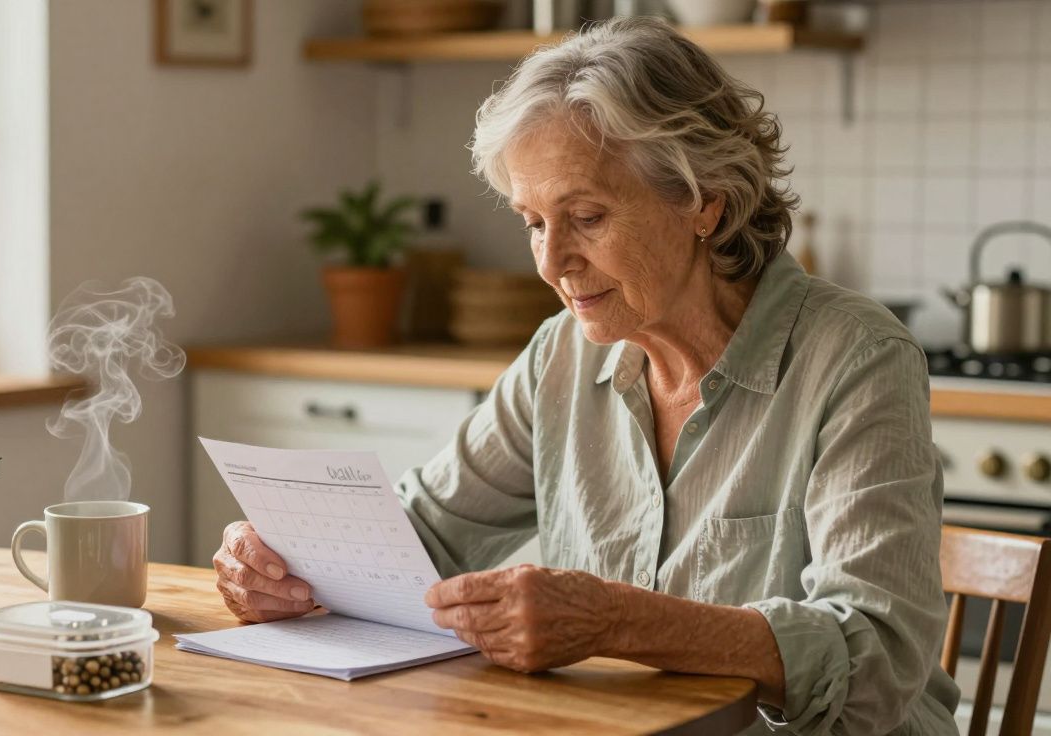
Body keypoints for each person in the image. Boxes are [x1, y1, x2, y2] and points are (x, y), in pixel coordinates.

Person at [212, 17, 959, 735]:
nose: (550, 261)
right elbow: (424, 536)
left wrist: (616, 620)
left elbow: (877, 659)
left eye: (588, 217)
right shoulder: (560, 355)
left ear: (703, 203)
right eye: (534, 221)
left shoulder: (856, 357)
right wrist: (284, 561)